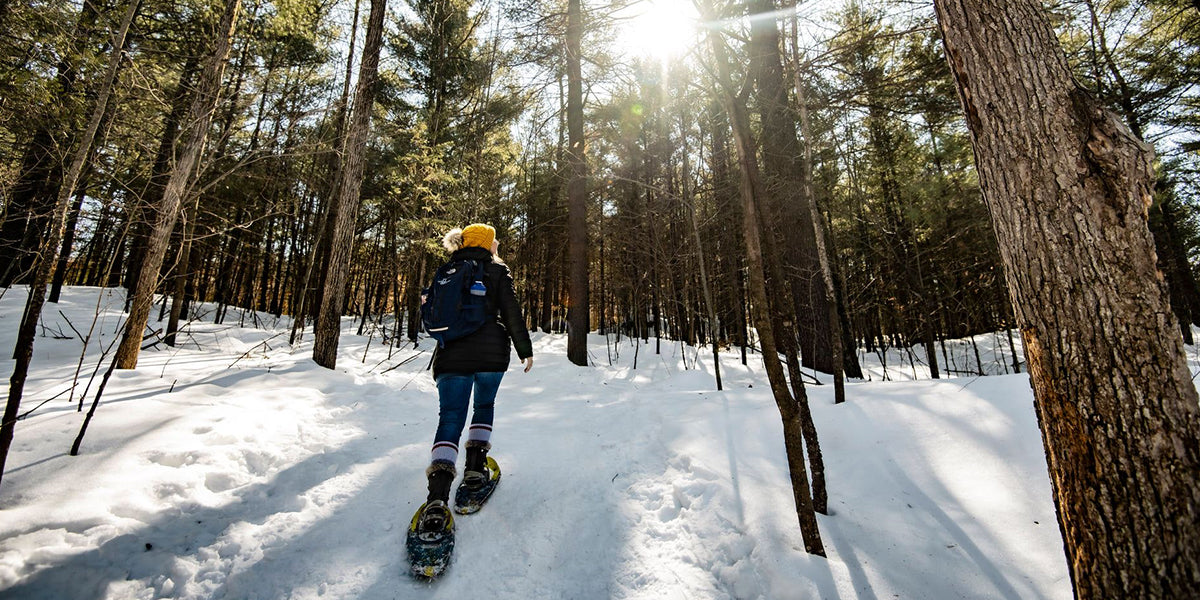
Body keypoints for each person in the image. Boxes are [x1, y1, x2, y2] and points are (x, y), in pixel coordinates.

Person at [419, 223, 533, 529]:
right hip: (491, 355)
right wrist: (525, 349)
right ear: (486, 244)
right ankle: (474, 470)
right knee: (483, 408)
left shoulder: (447, 270)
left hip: (451, 355)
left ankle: (437, 498)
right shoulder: (497, 272)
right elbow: (511, 313)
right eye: (494, 241)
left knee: (450, 418)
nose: (497, 245)